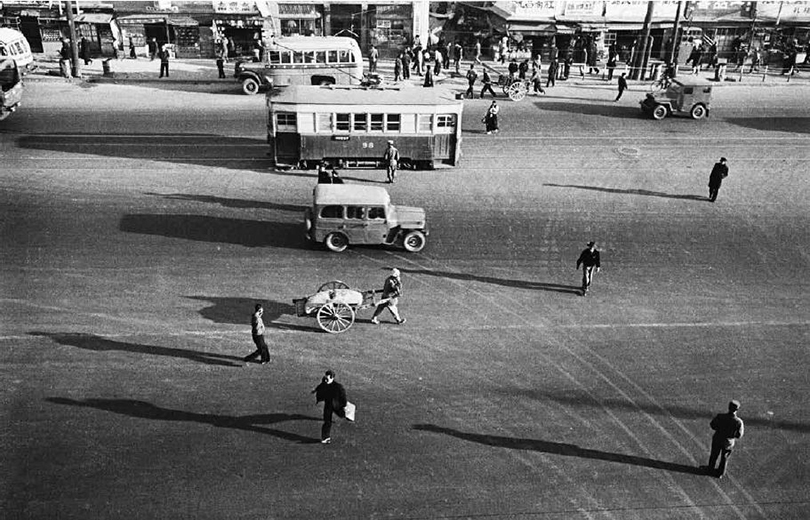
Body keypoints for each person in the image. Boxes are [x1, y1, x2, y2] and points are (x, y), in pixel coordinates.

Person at [706, 400, 744, 478]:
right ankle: (720, 473)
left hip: (718, 438)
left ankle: (710, 468)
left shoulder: (720, 416)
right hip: (728, 442)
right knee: (725, 458)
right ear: (737, 409)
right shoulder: (738, 422)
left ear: (729, 407)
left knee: (714, 454)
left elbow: (712, 425)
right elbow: (739, 435)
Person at [312, 370, 347, 444]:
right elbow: (320, 386)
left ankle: (344, 414)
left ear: (332, 378)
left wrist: (344, 405)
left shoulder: (338, 387)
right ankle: (325, 437)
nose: (325, 380)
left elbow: (343, 397)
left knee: (342, 414)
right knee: (327, 421)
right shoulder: (324, 383)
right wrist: (315, 390)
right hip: (328, 405)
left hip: (336, 405)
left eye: (327, 379)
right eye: (325, 378)